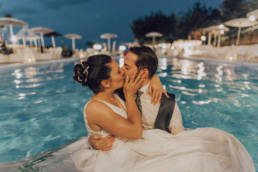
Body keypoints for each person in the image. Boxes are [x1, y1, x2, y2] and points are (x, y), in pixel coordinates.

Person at [72, 53, 255, 172]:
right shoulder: (97, 107)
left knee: (215, 144)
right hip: (119, 156)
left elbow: (143, 76)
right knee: (194, 161)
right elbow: (135, 132)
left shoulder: (113, 92)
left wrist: (154, 79)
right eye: (118, 70)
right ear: (105, 83)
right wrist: (129, 96)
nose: (122, 71)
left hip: (136, 143)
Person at [89, 46, 184, 150]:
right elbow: (98, 119)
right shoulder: (116, 92)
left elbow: (179, 140)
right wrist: (92, 139)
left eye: (127, 67)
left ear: (143, 73)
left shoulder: (168, 104)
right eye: (122, 65)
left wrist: (154, 78)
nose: (121, 70)